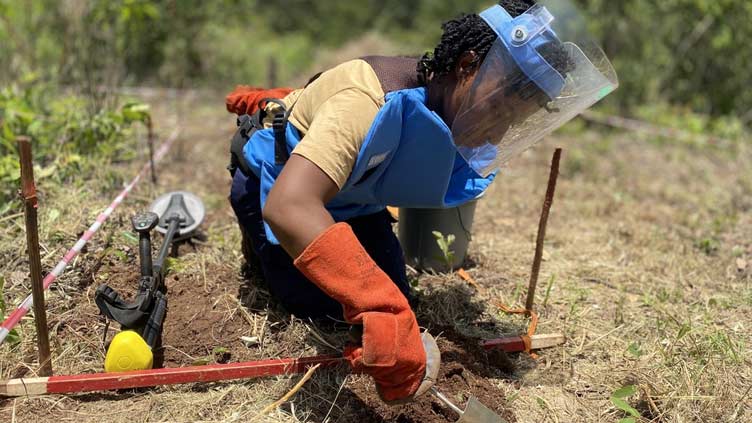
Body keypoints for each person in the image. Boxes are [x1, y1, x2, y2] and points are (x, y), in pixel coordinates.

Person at [226, 0, 617, 404]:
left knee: (398, 308)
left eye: (513, 122)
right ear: (466, 65)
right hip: (274, 190)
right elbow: (289, 206)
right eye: (499, 109)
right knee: (322, 308)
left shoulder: (444, 104)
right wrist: (377, 305)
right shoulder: (365, 100)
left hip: (351, 200)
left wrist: (387, 305)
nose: (498, 134)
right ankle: (259, 251)